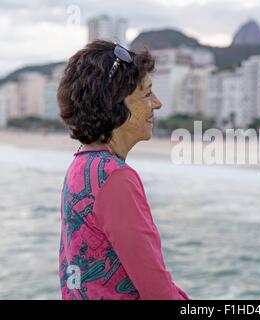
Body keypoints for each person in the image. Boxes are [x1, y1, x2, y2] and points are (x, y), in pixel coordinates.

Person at [57, 40, 189, 300]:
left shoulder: (81, 167)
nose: (158, 103)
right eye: (148, 94)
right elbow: (159, 294)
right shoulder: (115, 178)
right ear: (118, 102)